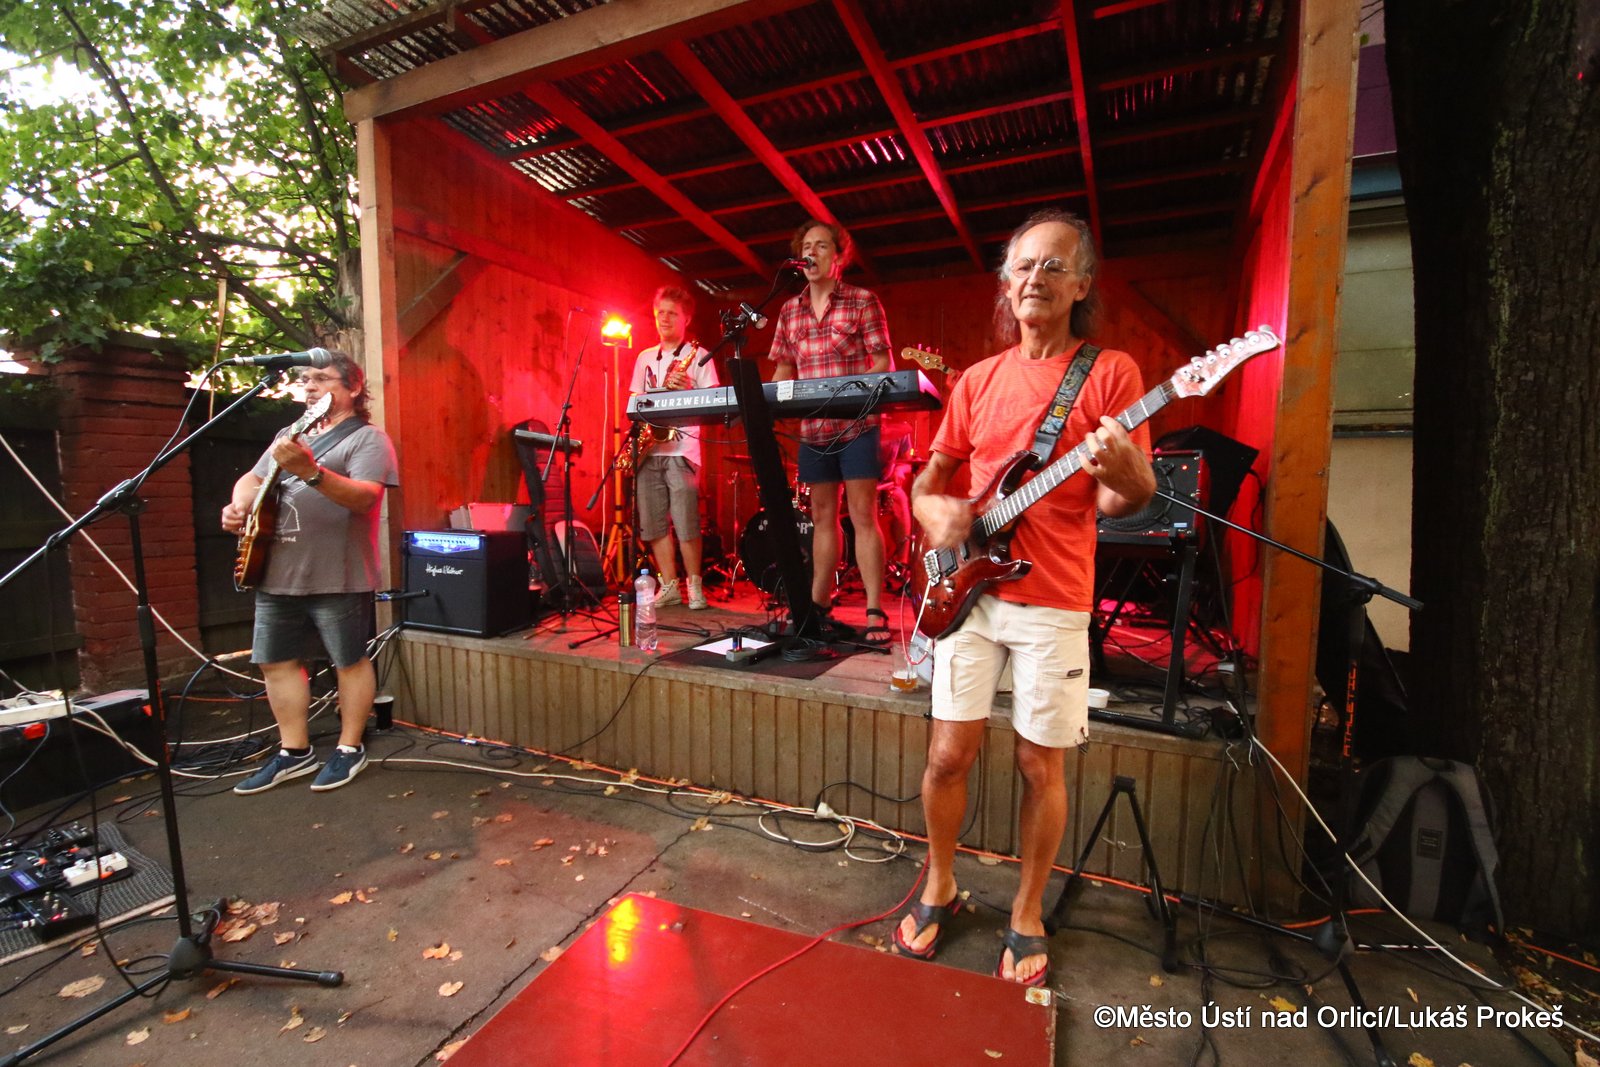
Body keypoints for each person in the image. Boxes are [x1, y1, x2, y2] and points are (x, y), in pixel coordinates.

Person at [896, 209, 1156, 985]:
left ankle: (1027, 908)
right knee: (948, 753)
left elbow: (1119, 500)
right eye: (1023, 265)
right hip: (971, 590)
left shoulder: (1111, 372)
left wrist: (1128, 475)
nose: (1035, 277)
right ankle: (941, 882)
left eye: (1053, 265)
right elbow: (930, 482)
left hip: (1054, 595)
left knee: (1040, 765)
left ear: (1082, 285)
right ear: (1006, 285)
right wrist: (933, 512)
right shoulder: (978, 380)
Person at [221, 352, 399, 794]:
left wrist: (311, 472)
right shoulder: (289, 434)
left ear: (354, 387)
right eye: (306, 379)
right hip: (275, 570)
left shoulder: (368, 439)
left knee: (348, 660)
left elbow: (366, 498)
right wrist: (240, 506)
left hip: (338, 572)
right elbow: (251, 478)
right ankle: (294, 752)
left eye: (322, 377)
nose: (311, 386)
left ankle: (349, 747)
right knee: (275, 661)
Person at [768, 218, 893, 643]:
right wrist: (771, 399)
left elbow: (883, 365)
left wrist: (846, 394)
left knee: (862, 515)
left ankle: (874, 610)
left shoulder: (862, 301)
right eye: (806, 246)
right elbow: (783, 371)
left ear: (838, 257)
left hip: (857, 425)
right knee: (822, 516)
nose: (811, 253)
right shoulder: (789, 311)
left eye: (821, 246)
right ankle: (818, 603)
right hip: (813, 430)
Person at [628, 285, 718, 610]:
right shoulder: (644, 357)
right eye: (660, 313)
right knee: (653, 522)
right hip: (649, 449)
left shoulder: (700, 355)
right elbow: (634, 399)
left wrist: (690, 388)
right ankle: (669, 585)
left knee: (685, 522)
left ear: (686, 319)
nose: (664, 319)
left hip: (682, 449)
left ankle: (694, 586)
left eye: (672, 313)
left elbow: (714, 401)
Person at [877, 417, 915, 579]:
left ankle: (902, 562)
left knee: (900, 498)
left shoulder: (900, 429)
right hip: (860, 483)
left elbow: (907, 461)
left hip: (887, 484)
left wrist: (899, 471)